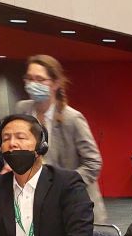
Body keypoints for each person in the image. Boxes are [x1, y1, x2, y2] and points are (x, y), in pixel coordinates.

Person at [0, 115, 94, 236]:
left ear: (41, 146)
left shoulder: (67, 183)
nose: (12, 143)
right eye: (6, 139)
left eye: (20, 137)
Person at [14, 54, 107, 224]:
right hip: (37, 203)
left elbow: (93, 163)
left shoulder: (72, 118)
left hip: (74, 204)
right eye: (30, 79)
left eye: (40, 79)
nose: (33, 84)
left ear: (56, 83)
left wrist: (63, 185)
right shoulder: (22, 110)